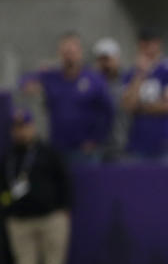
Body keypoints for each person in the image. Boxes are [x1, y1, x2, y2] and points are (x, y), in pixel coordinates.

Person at [0, 108, 70, 264]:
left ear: (33, 127)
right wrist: (8, 209)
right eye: (17, 128)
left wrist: (63, 211)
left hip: (51, 219)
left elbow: (66, 184)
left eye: (24, 127)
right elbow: (4, 190)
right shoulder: (9, 157)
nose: (21, 132)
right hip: (20, 221)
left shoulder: (48, 153)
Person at [19, 32, 113, 165]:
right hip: (58, 147)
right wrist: (31, 84)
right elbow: (24, 80)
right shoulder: (51, 77)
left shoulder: (94, 79)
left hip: (85, 149)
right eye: (65, 52)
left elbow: (107, 112)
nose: (69, 57)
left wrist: (96, 139)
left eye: (72, 52)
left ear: (80, 52)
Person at [121, 30, 168, 164]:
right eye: (143, 45)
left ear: (158, 44)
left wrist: (140, 108)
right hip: (138, 144)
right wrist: (140, 75)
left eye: (149, 44)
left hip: (167, 143)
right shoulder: (132, 74)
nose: (146, 49)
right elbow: (127, 106)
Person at [92, 37, 129, 161]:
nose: (104, 64)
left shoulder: (127, 82)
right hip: (96, 147)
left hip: (121, 146)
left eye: (107, 59)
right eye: (100, 60)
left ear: (117, 59)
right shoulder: (91, 84)